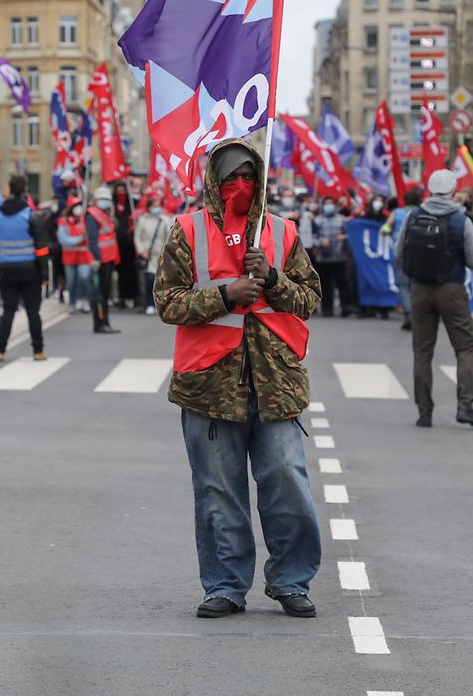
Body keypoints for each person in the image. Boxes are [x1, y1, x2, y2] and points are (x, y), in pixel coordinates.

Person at [153, 138, 322, 620]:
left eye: (249, 177)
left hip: (277, 385)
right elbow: (168, 302)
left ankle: (291, 580)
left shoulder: (284, 232)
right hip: (208, 386)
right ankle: (225, 586)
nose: (240, 187)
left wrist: (271, 278)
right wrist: (225, 295)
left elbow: (309, 298)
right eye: (231, 179)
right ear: (213, 183)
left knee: (287, 481)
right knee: (217, 490)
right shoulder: (185, 232)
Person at [395, 169, 473, 429]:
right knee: (465, 348)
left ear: (430, 190)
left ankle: (424, 412)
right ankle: (465, 406)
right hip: (452, 289)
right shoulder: (461, 220)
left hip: (420, 290)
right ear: (453, 192)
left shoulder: (413, 215)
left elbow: (398, 252)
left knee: (422, 352)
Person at [0, 175, 51, 362]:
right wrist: (45, 273)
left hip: (7, 268)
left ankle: (0, 350)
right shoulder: (31, 214)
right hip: (30, 269)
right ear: (24, 191)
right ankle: (38, 350)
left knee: (8, 310)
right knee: (33, 311)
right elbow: (41, 247)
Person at [383, 186, 422, 331]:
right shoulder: (422, 213)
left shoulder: (397, 213)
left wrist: (388, 231)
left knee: (404, 285)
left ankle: (409, 312)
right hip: (419, 253)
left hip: (401, 252)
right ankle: (418, 314)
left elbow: (385, 228)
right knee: (417, 284)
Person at [86, 186, 121, 333]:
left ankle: (104, 322)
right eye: (103, 199)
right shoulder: (92, 215)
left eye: (108, 200)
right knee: (100, 293)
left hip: (109, 257)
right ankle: (100, 323)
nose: (106, 202)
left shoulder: (104, 213)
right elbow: (92, 239)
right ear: (96, 200)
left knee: (105, 293)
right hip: (100, 259)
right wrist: (96, 258)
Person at [312, 196, 351, 317]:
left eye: (331, 203)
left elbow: (350, 235)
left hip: (340, 256)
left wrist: (344, 237)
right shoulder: (317, 220)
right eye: (326, 203)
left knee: (342, 283)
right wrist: (320, 242)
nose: (328, 206)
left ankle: (345, 307)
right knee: (325, 285)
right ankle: (327, 309)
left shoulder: (342, 219)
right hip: (323, 258)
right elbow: (312, 237)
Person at [134, 195, 172, 316]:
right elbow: (137, 237)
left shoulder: (164, 220)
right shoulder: (143, 220)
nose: (157, 208)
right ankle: (149, 303)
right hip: (147, 254)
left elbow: (169, 235)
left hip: (161, 254)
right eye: (154, 206)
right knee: (149, 279)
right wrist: (141, 250)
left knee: (161, 281)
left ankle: (159, 303)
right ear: (149, 207)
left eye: (158, 205)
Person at [57, 197, 93, 313]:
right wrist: (78, 239)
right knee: (71, 281)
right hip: (69, 256)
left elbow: (92, 236)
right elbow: (63, 239)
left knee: (84, 277)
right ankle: (72, 302)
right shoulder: (63, 221)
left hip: (84, 256)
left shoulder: (86, 220)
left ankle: (85, 299)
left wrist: (85, 236)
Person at [112, 182, 139, 309]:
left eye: (123, 190)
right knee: (120, 272)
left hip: (130, 243)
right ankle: (122, 297)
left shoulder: (132, 204)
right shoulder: (112, 206)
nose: (120, 193)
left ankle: (132, 296)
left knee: (131, 271)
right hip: (116, 244)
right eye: (118, 190)